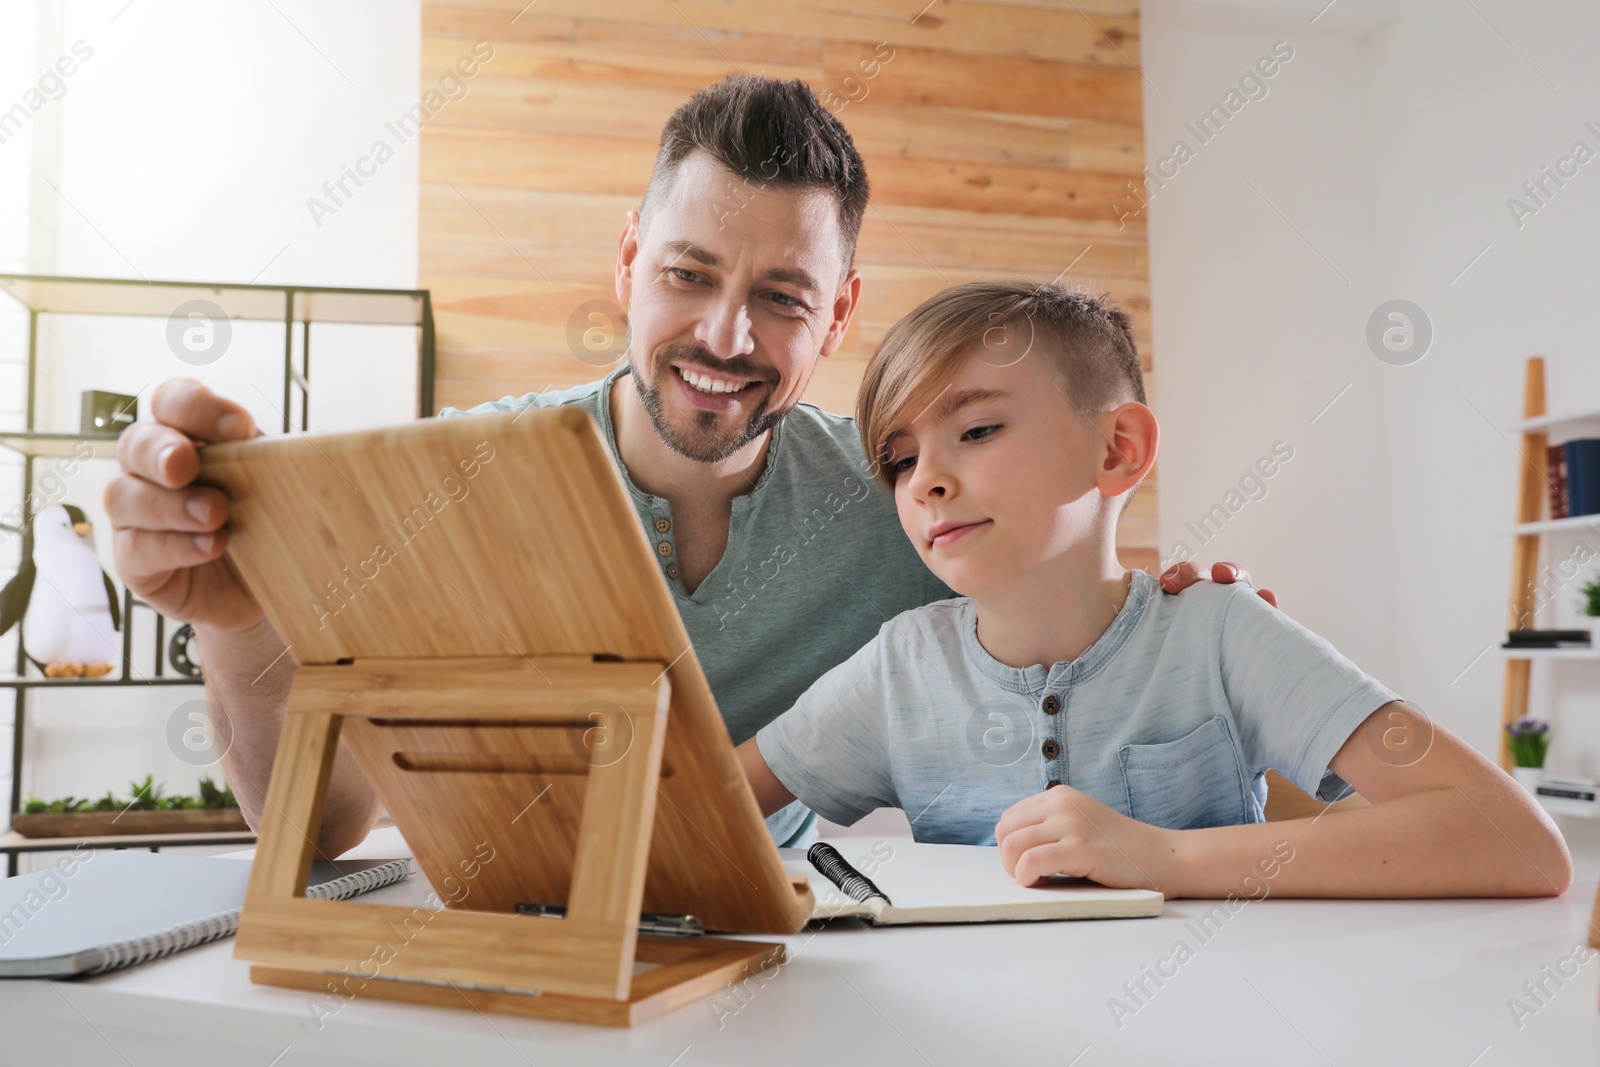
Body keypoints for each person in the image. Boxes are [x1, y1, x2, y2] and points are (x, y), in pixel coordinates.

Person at [103, 75, 1262, 859]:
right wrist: (237, 619)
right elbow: (317, 829)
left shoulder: (905, 497)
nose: (724, 337)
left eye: (780, 297)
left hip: (800, 967)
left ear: (839, 314)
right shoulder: (463, 483)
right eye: (688, 275)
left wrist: (1172, 620)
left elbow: (1062, 622)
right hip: (534, 954)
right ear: (626, 260)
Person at [737, 279, 1573, 899]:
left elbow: (1516, 841)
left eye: (978, 429)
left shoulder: (1219, 631)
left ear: (1118, 449)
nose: (925, 482)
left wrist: (1164, 858)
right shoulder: (899, 668)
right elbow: (700, 807)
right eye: (899, 458)